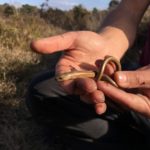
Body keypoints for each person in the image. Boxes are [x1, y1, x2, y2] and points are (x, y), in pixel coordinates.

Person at [26, 0, 150, 149]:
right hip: (138, 78)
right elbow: (130, 9)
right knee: (43, 90)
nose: (62, 78)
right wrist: (108, 43)